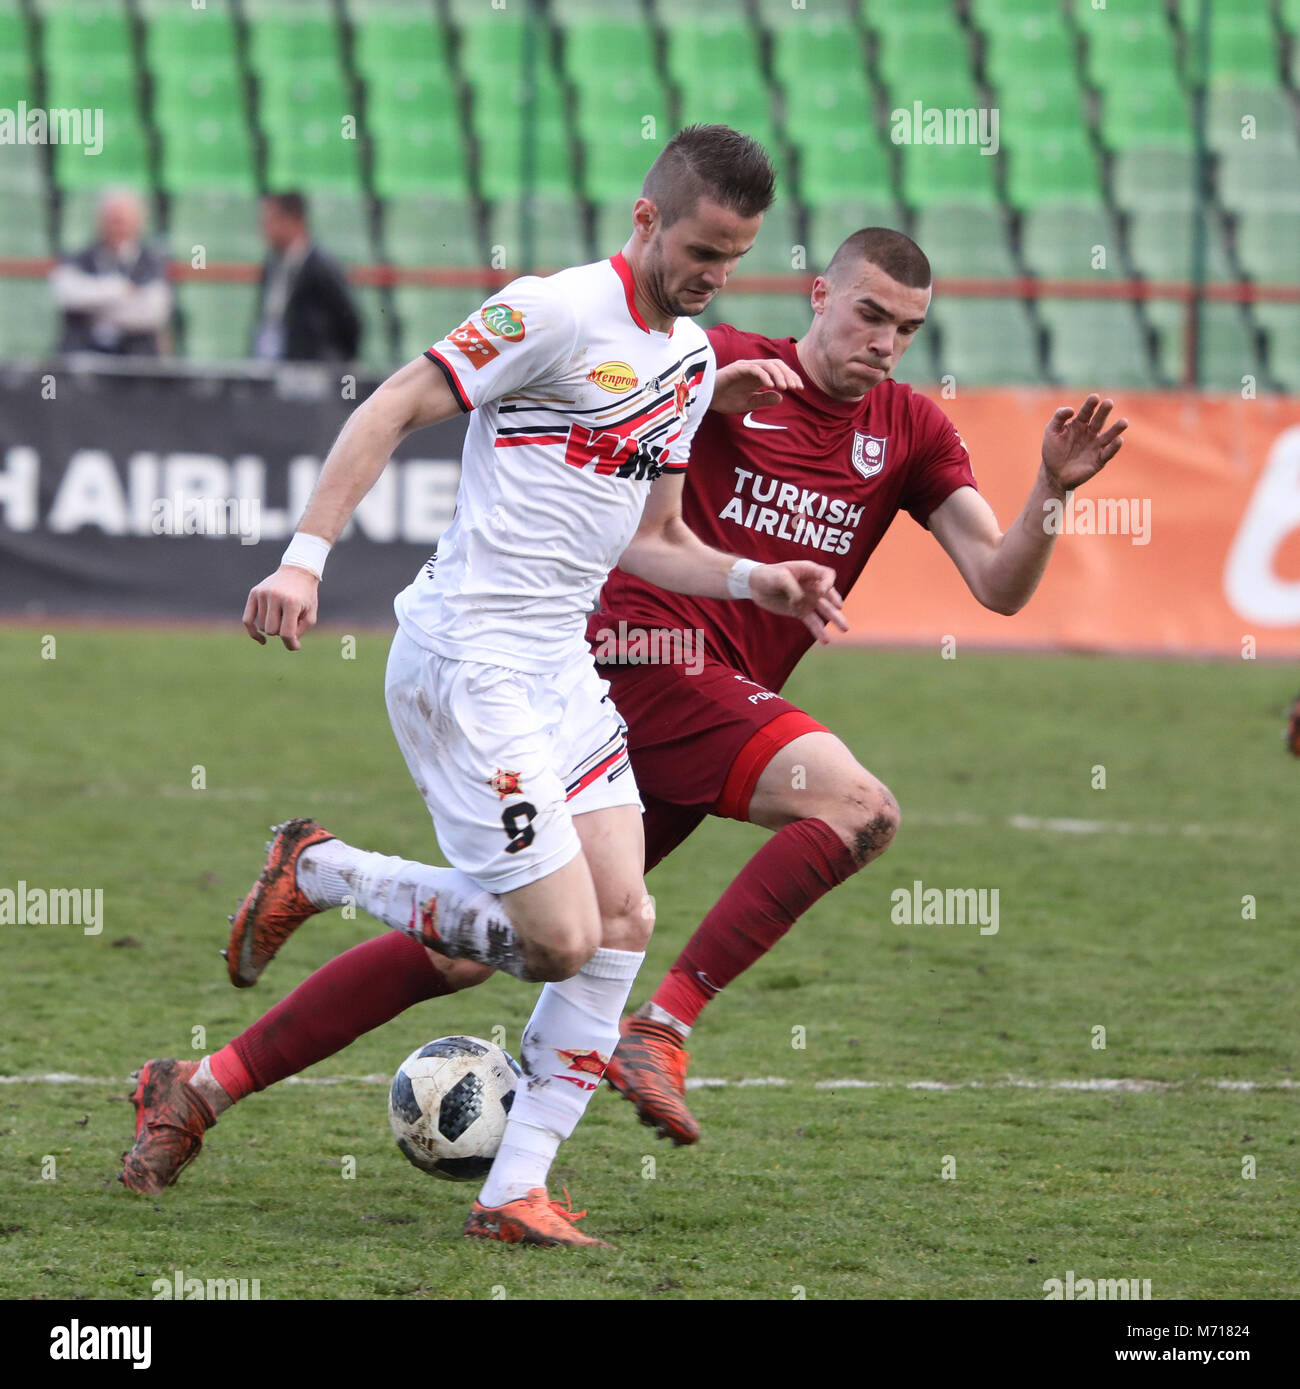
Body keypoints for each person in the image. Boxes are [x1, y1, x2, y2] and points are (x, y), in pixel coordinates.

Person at [119, 126, 844, 1248]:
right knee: (555, 941)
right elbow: (391, 407)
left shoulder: (689, 361)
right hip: (468, 664)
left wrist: (760, 578)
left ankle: (512, 1191)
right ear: (647, 218)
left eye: (735, 258)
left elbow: (653, 541)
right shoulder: (548, 312)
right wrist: (304, 558)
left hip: (560, 669)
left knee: (624, 919)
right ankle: (322, 867)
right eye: (701, 248)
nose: (713, 275)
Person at [595, 227, 1128, 1142]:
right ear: (819, 297)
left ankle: (320, 876)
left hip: (710, 706)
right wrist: (690, 404)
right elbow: (590, 436)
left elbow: (999, 585)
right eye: (870, 314)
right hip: (641, 660)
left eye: (907, 328)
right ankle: (663, 1024)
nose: (884, 342)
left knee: (520, 931)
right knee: (858, 808)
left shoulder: (912, 430)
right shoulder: (722, 364)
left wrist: (1051, 486)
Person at [49, 188, 171, 355]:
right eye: (113, 221)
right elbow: (66, 294)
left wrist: (94, 311)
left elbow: (154, 311)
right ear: (101, 221)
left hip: (137, 357)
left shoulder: (152, 262)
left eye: (123, 221)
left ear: (138, 223)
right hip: (85, 354)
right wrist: (119, 290)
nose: (118, 228)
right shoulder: (79, 256)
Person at [252, 191, 361, 362]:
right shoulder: (273, 263)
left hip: (312, 368)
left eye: (270, 220)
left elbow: (349, 322)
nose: (265, 229)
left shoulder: (322, 266)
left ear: (294, 219)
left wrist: (333, 362)